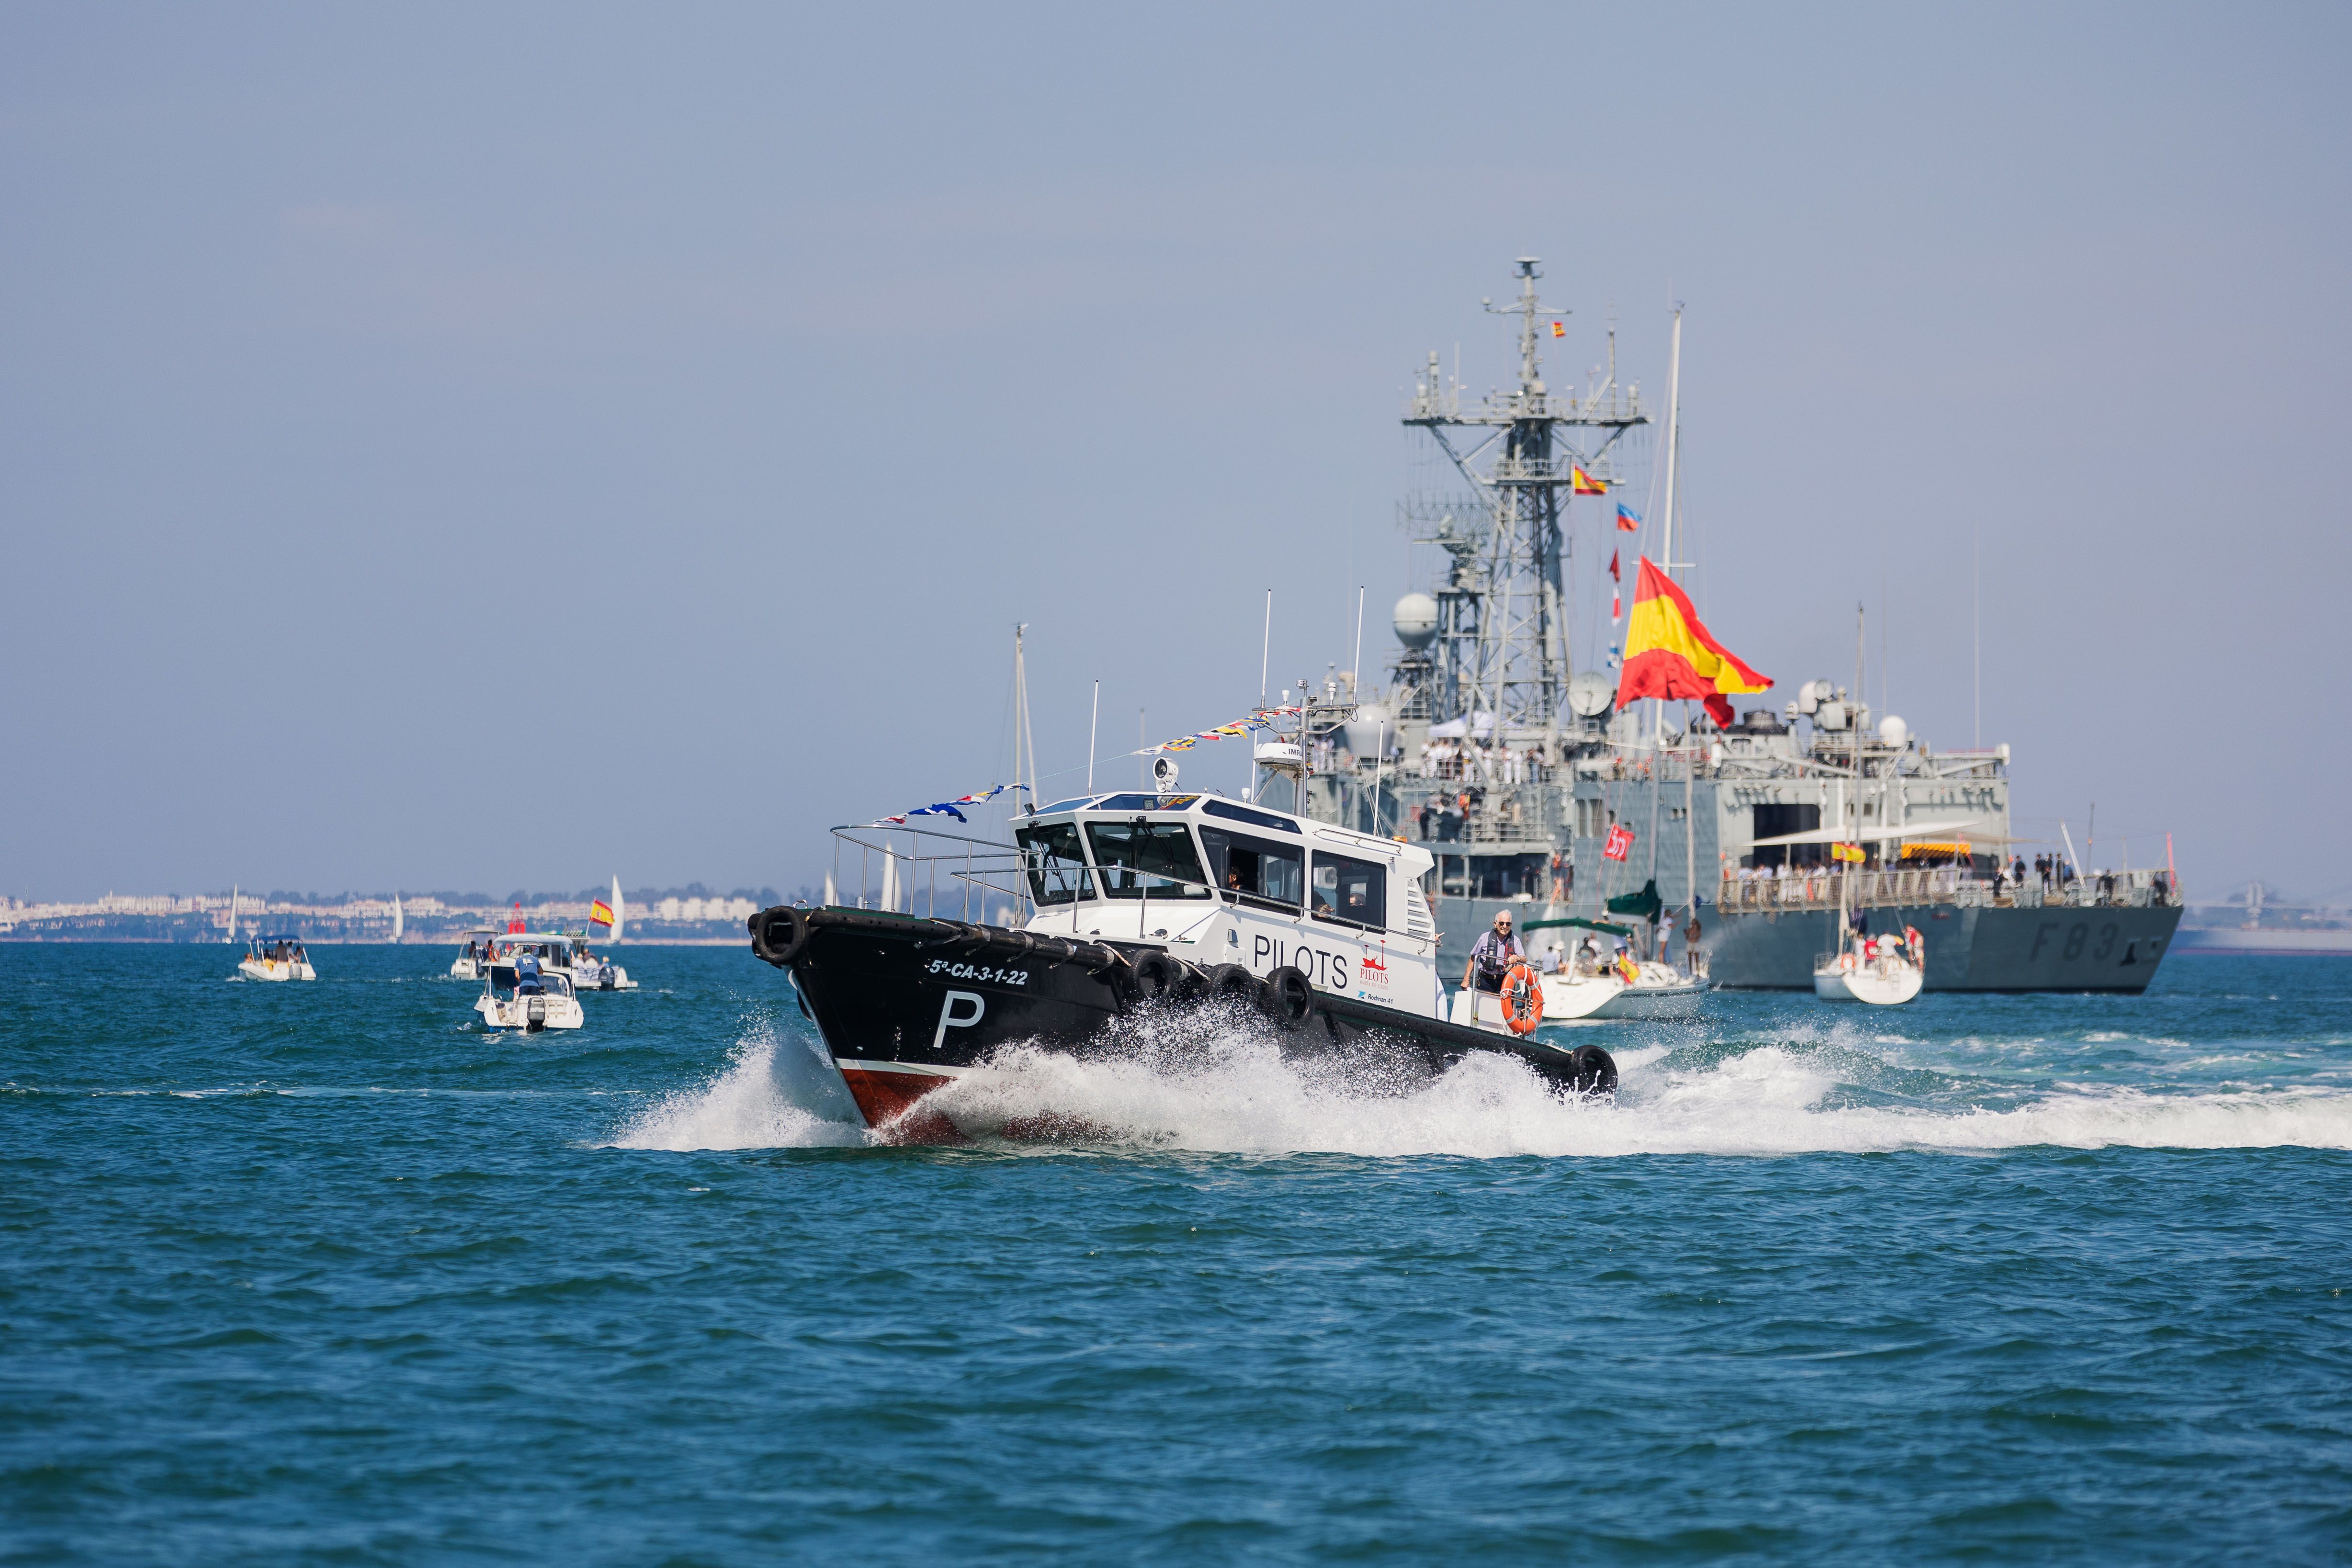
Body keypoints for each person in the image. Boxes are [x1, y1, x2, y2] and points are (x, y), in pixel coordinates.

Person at [1461, 910, 1524, 1001]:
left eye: (1508, 924)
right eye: (1502, 923)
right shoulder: (1485, 938)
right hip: (1486, 980)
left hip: (1505, 981)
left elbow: (1524, 959)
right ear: (1495, 924)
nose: (1505, 926)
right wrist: (1466, 980)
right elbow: (1473, 957)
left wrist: (1517, 958)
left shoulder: (1516, 940)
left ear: (1511, 925)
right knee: (1484, 1007)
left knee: (1505, 1009)